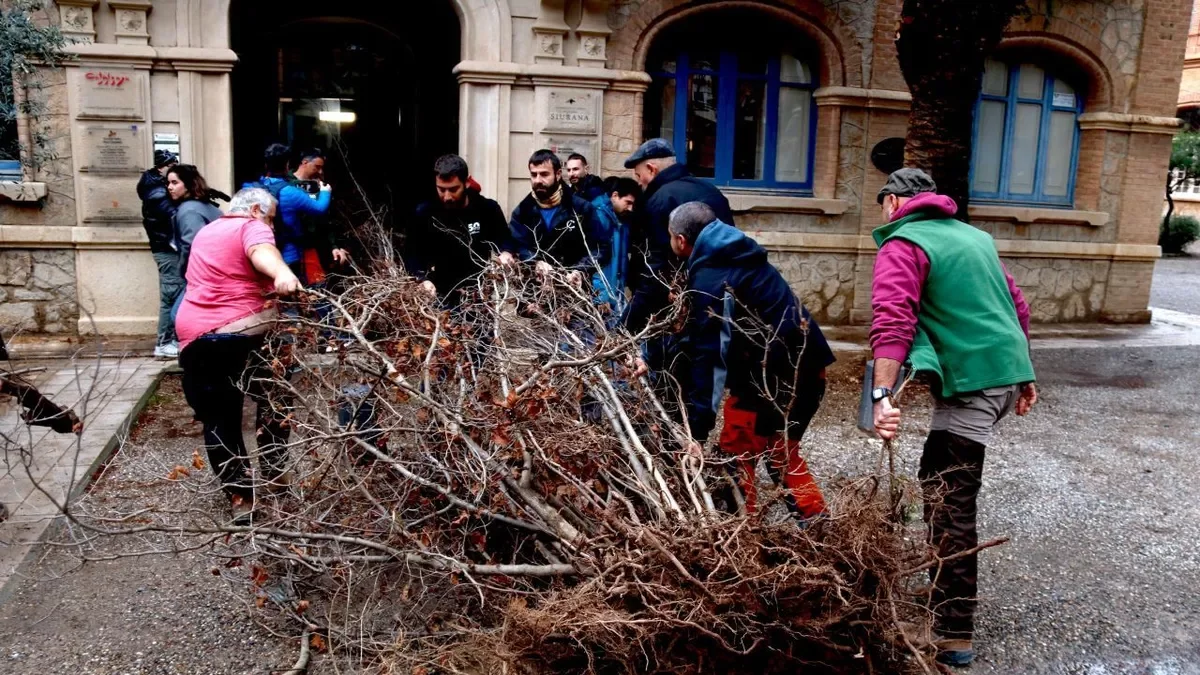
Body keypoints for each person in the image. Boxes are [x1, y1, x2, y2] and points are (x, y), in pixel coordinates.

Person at [870, 167, 1038, 667]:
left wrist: (881, 394)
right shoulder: (976, 238)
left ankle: (954, 630)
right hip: (998, 375)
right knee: (936, 476)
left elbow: (893, 317)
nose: (882, 212)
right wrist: (1025, 375)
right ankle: (945, 591)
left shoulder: (903, 243)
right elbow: (1017, 306)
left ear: (895, 202)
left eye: (882, 203)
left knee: (952, 501)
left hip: (975, 384)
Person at [666, 201, 835, 521]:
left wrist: (698, 433)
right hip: (810, 368)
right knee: (780, 454)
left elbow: (711, 355)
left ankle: (741, 540)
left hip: (770, 378)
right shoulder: (738, 254)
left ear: (681, 241)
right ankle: (820, 530)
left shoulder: (712, 277)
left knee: (734, 459)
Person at [176, 187, 302, 524]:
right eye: (272, 219)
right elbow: (262, 250)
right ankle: (275, 477)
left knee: (220, 419)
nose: (272, 227)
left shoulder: (207, 231)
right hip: (246, 333)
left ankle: (241, 497)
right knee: (275, 405)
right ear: (258, 209)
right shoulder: (251, 225)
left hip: (196, 337)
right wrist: (282, 273)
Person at [622, 138, 735, 336]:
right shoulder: (710, 190)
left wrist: (627, 324)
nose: (639, 183)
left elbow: (656, 269)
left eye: (639, 176)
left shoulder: (659, 200)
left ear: (651, 169)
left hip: (677, 304)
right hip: (721, 294)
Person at [404, 154, 516, 306]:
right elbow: (411, 255)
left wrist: (506, 253)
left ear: (467, 182)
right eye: (441, 189)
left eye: (453, 189)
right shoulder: (425, 213)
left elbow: (505, 239)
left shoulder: (487, 209)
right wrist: (422, 280)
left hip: (477, 297)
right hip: (437, 295)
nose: (447, 197)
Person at [244, 143, 333, 284]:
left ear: (266, 164)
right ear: (287, 165)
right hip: (288, 254)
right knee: (292, 292)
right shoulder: (290, 192)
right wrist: (325, 192)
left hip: (259, 250)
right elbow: (319, 208)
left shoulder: (250, 188)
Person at [509, 149, 599, 286]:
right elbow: (518, 245)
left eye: (544, 174)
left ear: (558, 175)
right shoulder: (522, 211)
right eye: (534, 175)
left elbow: (600, 247)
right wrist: (535, 262)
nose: (538, 180)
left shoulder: (581, 208)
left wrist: (580, 270)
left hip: (574, 291)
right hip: (534, 293)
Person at [137, 149, 182, 358]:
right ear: (161, 168)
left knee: (173, 294)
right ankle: (164, 342)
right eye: (171, 166)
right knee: (171, 295)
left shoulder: (155, 188)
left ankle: (169, 340)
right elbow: (175, 216)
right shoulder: (158, 193)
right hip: (167, 249)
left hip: (165, 248)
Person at [291, 148, 351, 286]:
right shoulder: (287, 185)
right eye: (317, 167)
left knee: (319, 287)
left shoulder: (321, 187)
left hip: (317, 246)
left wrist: (335, 246)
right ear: (305, 162)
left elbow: (328, 220)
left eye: (321, 168)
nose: (320, 172)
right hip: (295, 247)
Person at [589, 176, 639, 315]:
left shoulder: (620, 219)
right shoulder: (598, 216)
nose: (630, 208)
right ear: (615, 195)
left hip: (615, 291)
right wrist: (600, 296)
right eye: (627, 202)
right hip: (603, 295)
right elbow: (594, 259)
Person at [168, 164, 224, 279]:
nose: (169, 187)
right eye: (168, 183)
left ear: (188, 185)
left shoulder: (189, 211)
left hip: (202, 275)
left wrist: (182, 271)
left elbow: (191, 244)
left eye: (175, 183)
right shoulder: (208, 207)